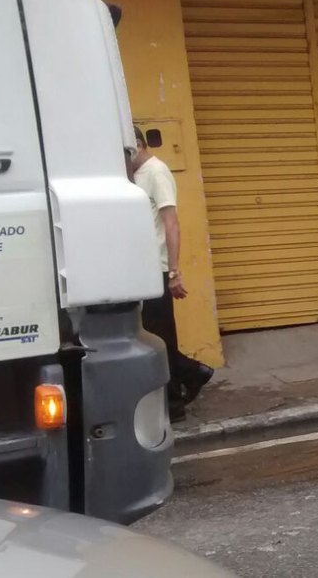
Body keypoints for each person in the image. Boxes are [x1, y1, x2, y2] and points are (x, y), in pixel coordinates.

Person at [128, 126, 213, 423]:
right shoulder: (135, 176)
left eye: (124, 151)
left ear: (137, 145)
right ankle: (191, 374)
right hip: (142, 267)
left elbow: (171, 222)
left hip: (159, 267)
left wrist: (174, 271)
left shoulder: (156, 172)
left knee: (160, 336)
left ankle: (176, 399)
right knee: (151, 335)